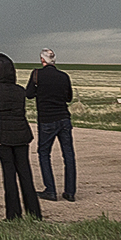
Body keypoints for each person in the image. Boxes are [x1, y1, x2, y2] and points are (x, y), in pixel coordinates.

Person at [0, 53, 42, 220]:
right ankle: (35, 213)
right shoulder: (19, 91)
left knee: (9, 174)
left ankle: (13, 215)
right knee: (25, 173)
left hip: (2, 136)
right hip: (22, 135)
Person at [25, 48, 76, 202]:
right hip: (64, 118)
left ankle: (51, 190)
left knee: (44, 154)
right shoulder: (64, 76)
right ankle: (70, 192)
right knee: (68, 155)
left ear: (42, 60)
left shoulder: (36, 74)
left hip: (47, 119)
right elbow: (69, 98)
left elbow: (28, 94)